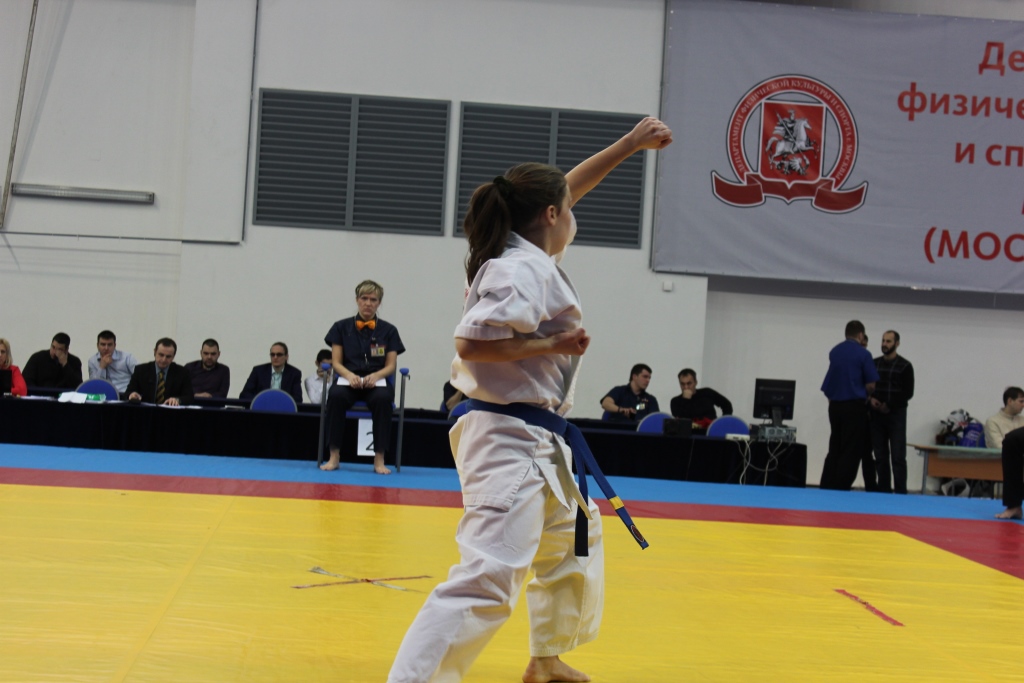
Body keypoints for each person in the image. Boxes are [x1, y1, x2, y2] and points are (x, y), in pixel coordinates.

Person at [388, 117, 672, 683]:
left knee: (574, 543)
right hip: (506, 440)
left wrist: (628, 146)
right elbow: (472, 342)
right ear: (549, 216)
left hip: (538, 437)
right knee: (489, 576)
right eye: (567, 209)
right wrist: (552, 344)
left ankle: (546, 659)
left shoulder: (528, 256)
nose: (573, 214)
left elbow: (564, 189)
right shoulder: (520, 270)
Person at [320, 280, 405, 475]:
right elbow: (336, 362)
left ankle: (379, 458)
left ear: (379, 303)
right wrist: (349, 375)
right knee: (336, 396)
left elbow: (391, 366)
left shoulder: (389, 331)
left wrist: (376, 375)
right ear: (357, 300)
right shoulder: (340, 327)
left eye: (373, 300)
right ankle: (334, 456)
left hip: (376, 381)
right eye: (364, 298)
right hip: (348, 379)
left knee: (383, 399)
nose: (368, 303)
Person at [819, 320, 879, 491]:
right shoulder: (863, 354)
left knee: (835, 446)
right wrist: (865, 395)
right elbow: (871, 384)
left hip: (835, 407)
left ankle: (827, 483)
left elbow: (829, 384)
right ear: (860, 335)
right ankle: (841, 485)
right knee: (851, 449)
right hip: (855, 406)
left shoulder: (835, 352)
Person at [869, 330, 915, 494]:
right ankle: (884, 491)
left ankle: (901, 493)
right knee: (880, 456)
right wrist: (870, 399)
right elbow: (866, 386)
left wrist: (889, 404)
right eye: (883, 341)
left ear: (897, 344)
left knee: (898, 457)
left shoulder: (905, 366)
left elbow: (908, 392)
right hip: (876, 415)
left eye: (888, 341)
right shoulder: (874, 364)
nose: (884, 344)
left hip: (896, 415)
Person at [126, 337, 194, 406]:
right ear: (155, 352)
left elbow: (189, 397)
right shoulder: (141, 370)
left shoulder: (182, 372)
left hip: (170, 410)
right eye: (161, 355)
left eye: (168, 357)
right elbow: (128, 393)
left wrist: (177, 400)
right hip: (146, 410)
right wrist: (132, 395)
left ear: (173, 356)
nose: (164, 360)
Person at [239, 342, 303, 403]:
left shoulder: (294, 373)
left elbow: (298, 398)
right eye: (272, 354)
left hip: (283, 408)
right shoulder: (258, 371)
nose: (275, 357)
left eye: (279, 355)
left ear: (286, 356)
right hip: (261, 407)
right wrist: (263, 401)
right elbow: (245, 394)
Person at [87, 330, 138, 395]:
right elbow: (94, 384)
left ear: (115, 345)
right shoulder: (92, 361)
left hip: (125, 393)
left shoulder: (127, 357)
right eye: (103, 344)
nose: (106, 348)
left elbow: (139, 376)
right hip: (103, 395)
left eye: (109, 345)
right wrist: (101, 367)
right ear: (97, 345)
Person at [983, 387, 1024, 452]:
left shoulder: (1022, 420)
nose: (1023, 405)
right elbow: (1000, 447)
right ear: (1010, 401)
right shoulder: (992, 422)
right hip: (1001, 458)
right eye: (1021, 401)